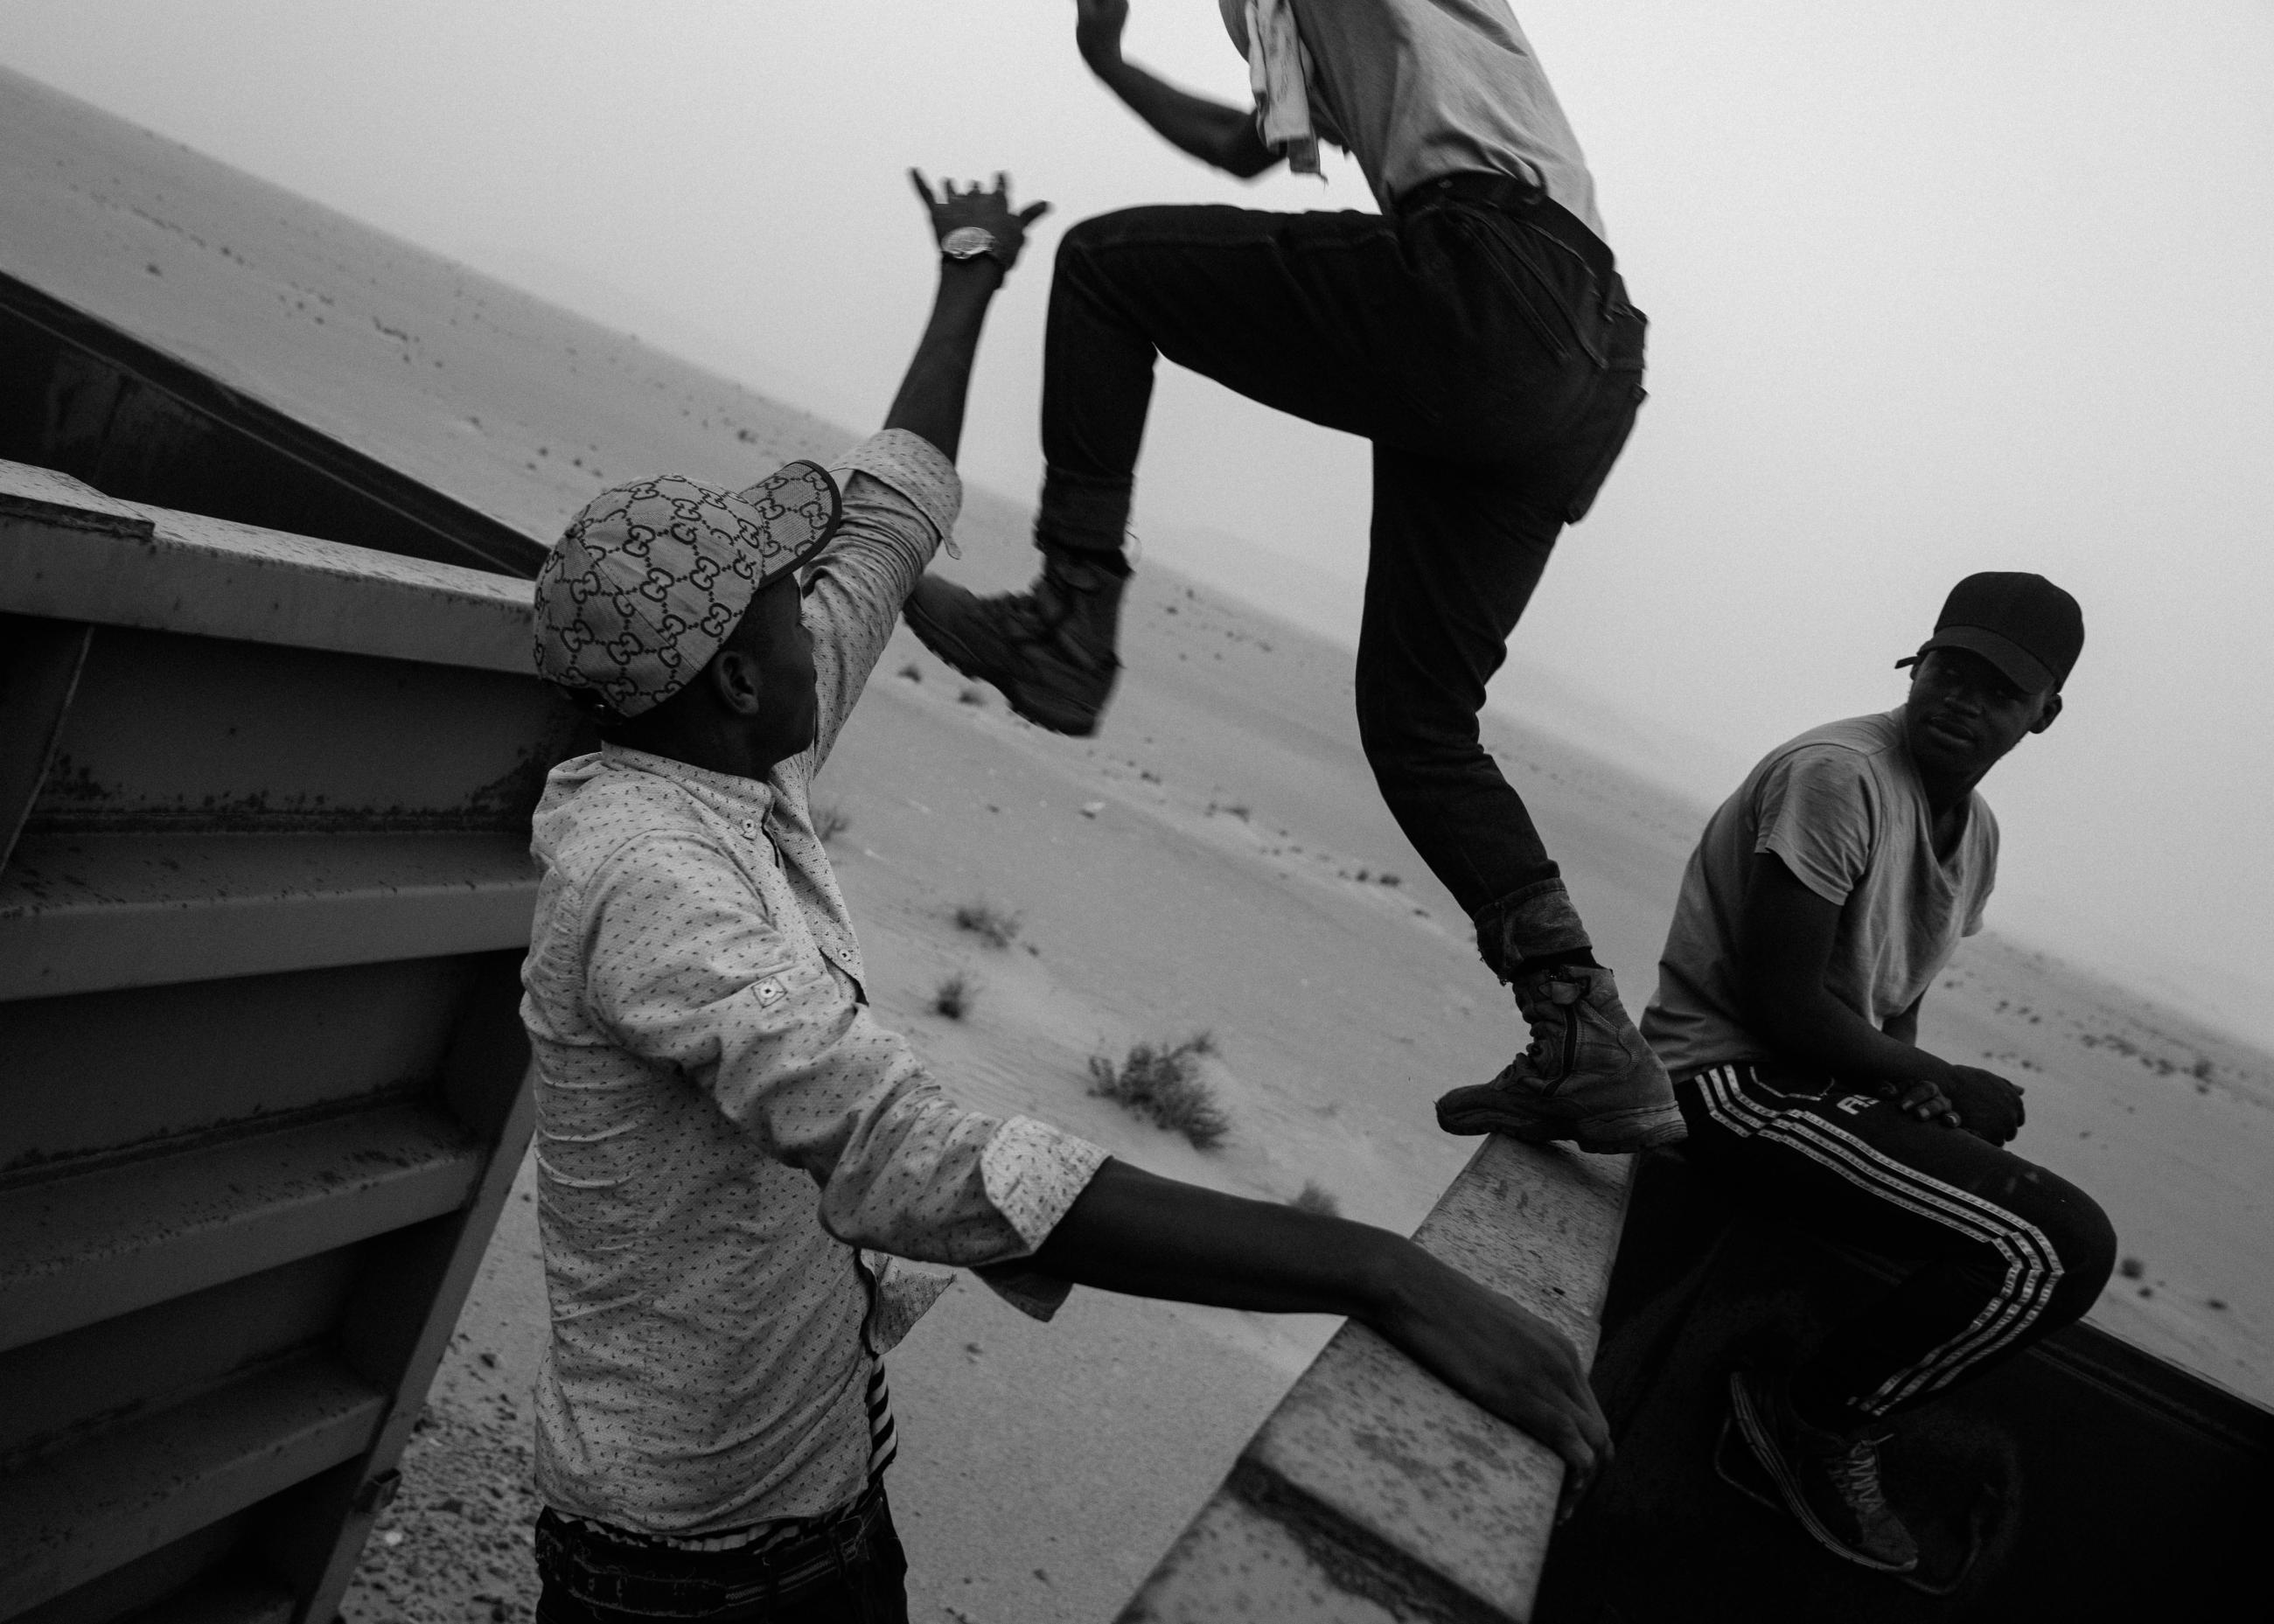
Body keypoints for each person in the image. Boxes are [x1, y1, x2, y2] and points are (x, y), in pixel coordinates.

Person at [517, 171, 1609, 1624]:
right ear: (730, 673)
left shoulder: (726, 743)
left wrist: (970, 270)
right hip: (680, 1574)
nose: (828, 600)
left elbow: (883, 520)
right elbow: (897, 1144)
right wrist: (1374, 1271)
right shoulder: (644, 881)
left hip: (831, 1490)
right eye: (789, 592)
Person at [903, 0, 1681, 1155]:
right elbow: (1247, 144)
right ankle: (1583, 1025)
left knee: (1107, 270)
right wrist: (1104, 55)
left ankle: (1068, 619)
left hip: (1491, 274)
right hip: (1588, 356)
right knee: (1419, 723)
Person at [1638, 573, 2118, 1573]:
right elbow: (1782, 1003)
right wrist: (1930, 1068)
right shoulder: (1839, 774)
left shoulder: (1972, 833)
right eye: (1949, 669)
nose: (1959, 699)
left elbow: (1887, 995)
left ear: (2043, 716)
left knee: (2021, 1210)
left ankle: (1812, 1417)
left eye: (1996, 689)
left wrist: (1918, 1089)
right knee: (2049, 1248)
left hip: (1812, 1089)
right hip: (1728, 1083)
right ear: (1918, 661)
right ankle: (1811, 1423)